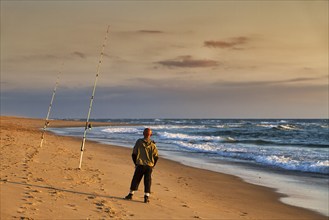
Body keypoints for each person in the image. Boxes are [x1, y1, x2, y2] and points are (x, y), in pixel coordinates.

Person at [124, 128, 159, 203]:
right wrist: (153, 166)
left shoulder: (139, 142)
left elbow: (134, 154)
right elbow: (156, 156)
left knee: (136, 179)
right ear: (151, 135)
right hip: (149, 165)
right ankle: (146, 197)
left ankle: (130, 194)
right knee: (148, 181)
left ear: (143, 133)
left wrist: (136, 164)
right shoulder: (153, 144)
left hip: (140, 164)